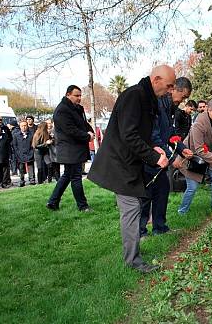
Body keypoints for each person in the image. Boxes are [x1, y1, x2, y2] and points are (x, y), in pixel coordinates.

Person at [87, 65, 175, 273]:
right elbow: (128, 135)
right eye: (169, 85)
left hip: (129, 163)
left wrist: (151, 146)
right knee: (132, 209)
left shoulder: (145, 97)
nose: (171, 90)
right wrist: (155, 158)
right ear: (156, 79)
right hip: (119, 164)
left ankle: (133, 257)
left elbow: (137, 132)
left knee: (134, 206)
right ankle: (133, 261)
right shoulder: (134, 96)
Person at [140, 77, 194, 239]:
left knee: (162, 190)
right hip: (150, 156)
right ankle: (141, 231)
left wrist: (183, 150)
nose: (183, 101)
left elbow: (170, 134)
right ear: (174, 89)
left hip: (161, 158)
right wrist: (172, 158)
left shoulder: (170, 107)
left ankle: (159, 227)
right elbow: (155, 137)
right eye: (183, 97)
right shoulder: (157, 104)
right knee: (146, 195)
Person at [46, 85, 95, 212]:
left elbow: (83, 123)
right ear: (68, 94)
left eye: (80, 95)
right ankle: (82, 206)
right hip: (70, 149)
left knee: (67, 176)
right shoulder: (62, 110)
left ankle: (53, 201)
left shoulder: (76, 108)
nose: (79, 98)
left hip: (74, 148)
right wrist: (87, 136)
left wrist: (91, 132)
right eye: (76, 95)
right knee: (76, 177)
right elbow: (70, 130)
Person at [177, 98, 212, 215]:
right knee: (192, 187)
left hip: (208, 156)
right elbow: (199, 150)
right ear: (210, 110)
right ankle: (182, 212)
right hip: (191, 158)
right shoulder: (199, 124)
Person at [12, 120, 36, 187]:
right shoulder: (16, 135)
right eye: (22, 126)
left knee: (30, 167)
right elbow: (14, 145)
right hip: (20, 155)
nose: (24, 127)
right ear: (20, 126)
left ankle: (32, 180)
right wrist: (18, 154)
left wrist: (31, 153)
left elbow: (33, 145)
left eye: (25, 125)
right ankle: (22, 180)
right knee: (21, 168)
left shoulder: (31, 135)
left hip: (29, 153)